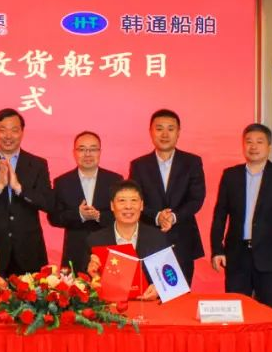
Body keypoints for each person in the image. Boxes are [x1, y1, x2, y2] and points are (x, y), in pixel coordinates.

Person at [210, 123, 272, 311]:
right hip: (237, 257)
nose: (253, 146)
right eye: (249, 142)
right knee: (236, 313)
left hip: (271, 258)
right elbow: (220, 215)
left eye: (259, 142)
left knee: (270, 314)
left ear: (269, 146)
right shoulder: (231, 175)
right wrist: (217, 250)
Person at [0, 108, 54, 276]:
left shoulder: (37, 164)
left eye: (14, 130)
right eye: (3, 130)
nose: (8, 136)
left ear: (22, 132)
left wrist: (19, 189)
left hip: (30, 251)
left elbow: (48, 203)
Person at [128, 109, 206, 285]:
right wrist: (157, 216)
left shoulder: (192, 162)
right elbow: (134, 200)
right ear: (151, 132)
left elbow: (196, 198)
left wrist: (173, 216)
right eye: (159, 129)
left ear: (178, 132)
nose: (165, 134)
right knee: (148, 294)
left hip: (183, 241)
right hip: (148, 240)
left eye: (170, 129)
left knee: (181, 295)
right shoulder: (139, 165)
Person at [48, 130, 123, 273]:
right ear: (74, 152)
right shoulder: (62, 182)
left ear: (100, 152)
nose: (87, 154)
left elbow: (123, 214)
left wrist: (99, 216)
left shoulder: (115, 180)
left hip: (108, 251)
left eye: (93, 149)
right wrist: (79, 215)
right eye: (82, 149)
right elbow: (54, 218)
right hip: (74, 252)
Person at [87, 180, 170, 301]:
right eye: (122, 201)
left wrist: (159, 288)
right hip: (111, 308)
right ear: (112, 206)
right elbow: (83, 287)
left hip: (149, 306)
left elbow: (170, 278)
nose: (128, 206)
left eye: (134, 200)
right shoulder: (95, 240)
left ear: (141, 205)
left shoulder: (158, 238)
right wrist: (94, 276)